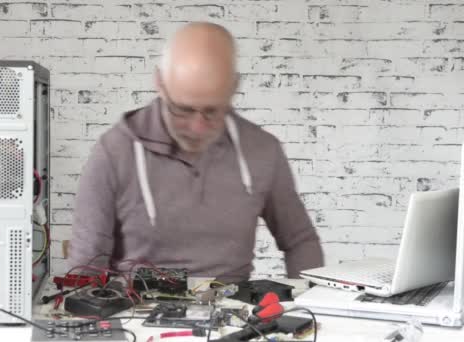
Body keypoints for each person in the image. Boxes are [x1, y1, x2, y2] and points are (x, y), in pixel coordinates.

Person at [67, 22, 323, 282]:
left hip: (232, 313)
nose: (197, 127)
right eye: (183, 110)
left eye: (212, 111)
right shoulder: (114, 151)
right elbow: (86, 263)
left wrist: (305, 308)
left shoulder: (263, 150)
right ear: (160, 83)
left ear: (233, 88)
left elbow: (300, 240)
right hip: (135, 312)